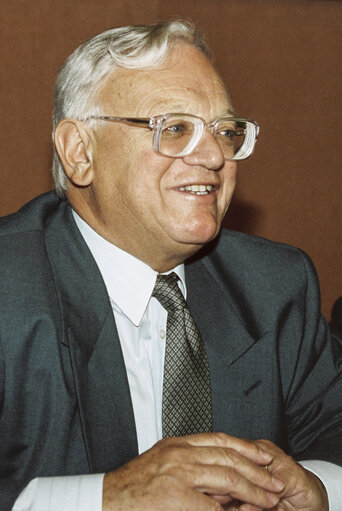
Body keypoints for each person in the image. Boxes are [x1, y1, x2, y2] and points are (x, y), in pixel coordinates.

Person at [1, 20, 342, 511]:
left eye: (225, 132)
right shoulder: (8, 287)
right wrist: (104, 500)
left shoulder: (275, 288)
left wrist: (319, 489)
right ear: (80, 152)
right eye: (175, 128)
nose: (212, 156)